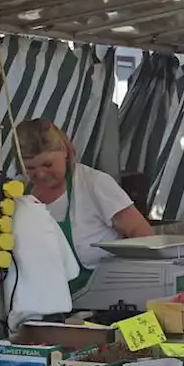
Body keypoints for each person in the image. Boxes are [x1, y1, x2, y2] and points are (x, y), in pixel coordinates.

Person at [15, 119, 154, 293]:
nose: (41, 174)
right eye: (30, 168)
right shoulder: (18, 194)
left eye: (47, 164)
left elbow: (143, 235)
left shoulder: (94, 184)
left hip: (103, 298)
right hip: (44, 300)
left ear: (65, 151)